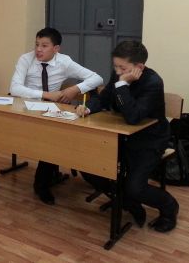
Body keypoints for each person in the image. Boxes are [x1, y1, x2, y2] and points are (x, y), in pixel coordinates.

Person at [77, 40, 179, 233]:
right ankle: (129, 203)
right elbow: (104, 97)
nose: (117, 72)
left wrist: (122, 84)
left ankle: (169, 206)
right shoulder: (119, 74)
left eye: (122, 68)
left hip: (149, 140)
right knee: (89, 167)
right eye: (115, 66)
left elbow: (133, 117)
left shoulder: (153, 82)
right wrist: (88, 108)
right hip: (121, 136)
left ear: (139, 67)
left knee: (135, 187)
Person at [10, 27, 103, 205]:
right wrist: (46, 94)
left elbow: (97, 78)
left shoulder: (64, 62)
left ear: (56, 49)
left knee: (54, 137)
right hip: (26, 109)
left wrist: (75, 89)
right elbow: (15, 88)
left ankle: (41, 185)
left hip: (51, 111)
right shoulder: (26, 59)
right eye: (37, 44)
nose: (38, 49)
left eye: (44, 46)